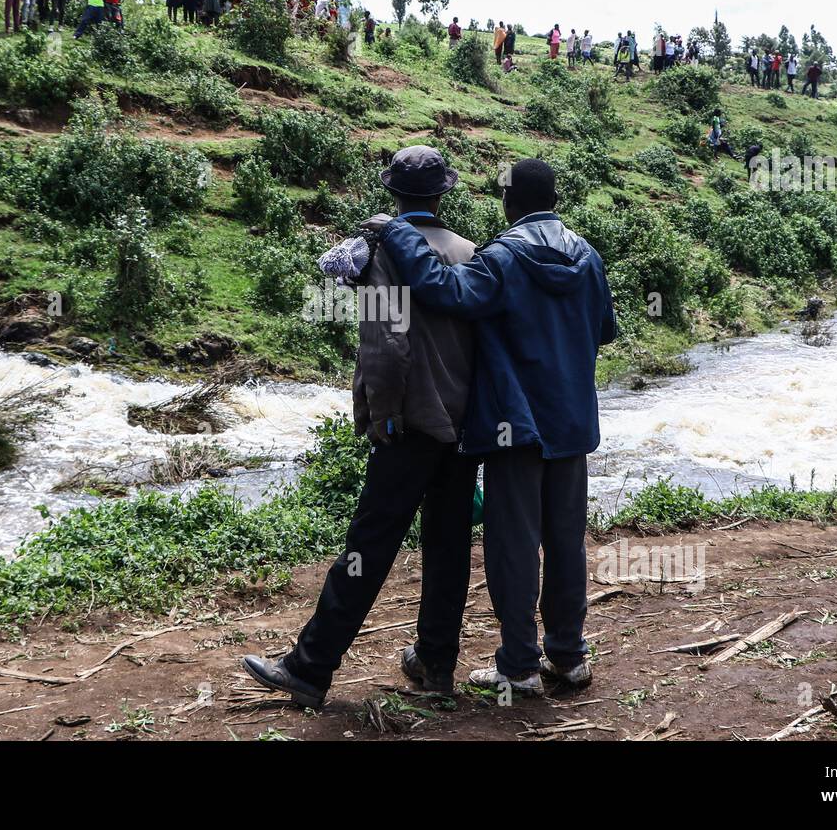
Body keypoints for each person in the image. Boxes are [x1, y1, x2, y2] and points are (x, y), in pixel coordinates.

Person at [242, 146, 481, 709]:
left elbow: (387, 346)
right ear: (442, 193)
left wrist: (382, 415)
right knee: (447, 549)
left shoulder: (384, 258)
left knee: (366, 550)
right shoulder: (471, 253)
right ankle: (437, 666)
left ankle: (311, 666)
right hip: (460, 430)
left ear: (394, 194)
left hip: (408, 427)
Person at [373, 159, 617, 696]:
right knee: (566, 541)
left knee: (514, 543)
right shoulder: (589, 257)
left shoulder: (503, 257)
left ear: (509, 202)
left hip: (516, 426)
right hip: (571, 424)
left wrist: (397, 233)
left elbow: (444, 290)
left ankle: (519, 666)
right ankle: (569, 657)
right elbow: (604, 330)